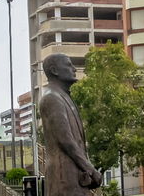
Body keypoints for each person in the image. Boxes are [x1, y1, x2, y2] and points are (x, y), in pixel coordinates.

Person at [38, 53, 103, 196]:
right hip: (63, 177)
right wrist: (91, 169)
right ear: (55, 70)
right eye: (68, 65)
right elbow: (65, 140)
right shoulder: (51, 98)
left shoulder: (63, 96)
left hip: (75, 177)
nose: (74, 69)